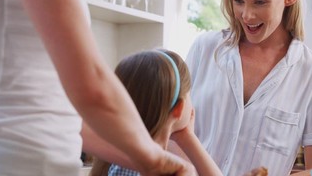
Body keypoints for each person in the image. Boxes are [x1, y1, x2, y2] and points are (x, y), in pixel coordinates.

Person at [0, 0, 194, 176]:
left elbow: (71, 118)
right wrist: (154, 159)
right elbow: (91, 83)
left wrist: (149, 159)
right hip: (7, 162)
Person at [181, 0, 312, 176]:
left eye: (260, 2)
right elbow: (172, 135)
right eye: (238, 1)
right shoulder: (204, 49)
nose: (247, 15)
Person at [90, 49, 222, 176]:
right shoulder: (155, 169)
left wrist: (188, 137)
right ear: (179, 108)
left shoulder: (123, 160)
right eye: (189, 93)